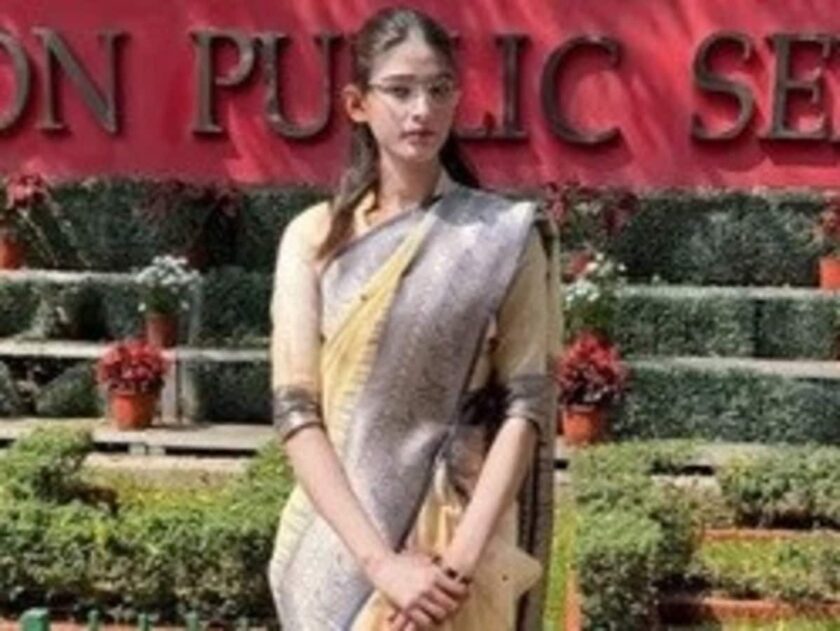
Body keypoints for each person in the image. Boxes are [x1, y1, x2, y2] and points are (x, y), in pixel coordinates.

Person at [267, 7, 562, 630]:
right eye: (399, 91)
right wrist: (383, 566)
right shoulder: (313, 240)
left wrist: (455, 570)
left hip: (461, 552)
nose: (421, 110)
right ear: (357, 103)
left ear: (457, 98)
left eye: (438, 89)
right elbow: (297, 413)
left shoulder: (501, 236)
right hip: (338, 552)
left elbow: (527, 406)